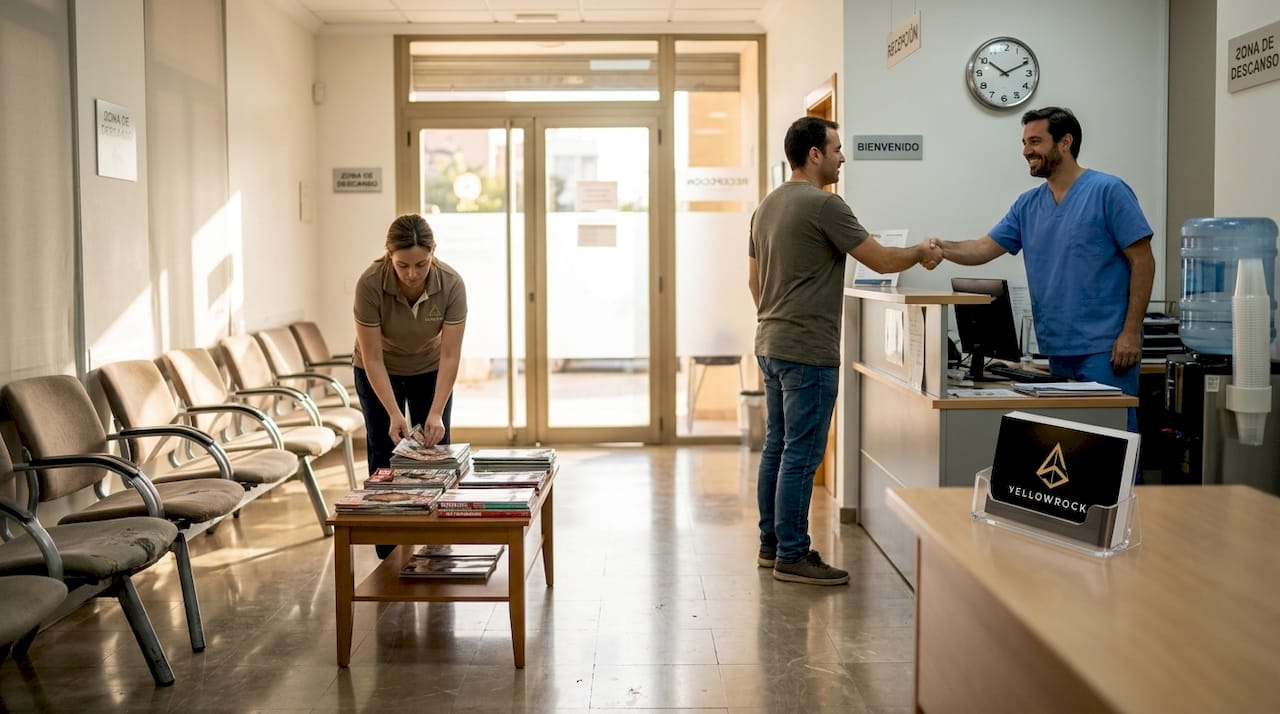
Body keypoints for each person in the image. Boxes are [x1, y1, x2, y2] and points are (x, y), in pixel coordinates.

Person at [750, 116, 942, 586]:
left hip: (770, 343)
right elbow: (880, 259)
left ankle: (771, 545)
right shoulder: (824, 205)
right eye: (836, 148)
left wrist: (780, 318)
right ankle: (793, 555)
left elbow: (753, 283)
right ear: (814, 154)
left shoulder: (766, 206)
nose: (842, 156)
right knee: (801, 455)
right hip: (807, 351)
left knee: (777, 447)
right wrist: (919, 251)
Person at [930, 106, 1154, 432]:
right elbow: (982, 248)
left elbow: (1143, 261)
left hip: (1105, 349)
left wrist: (1131, 331)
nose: (1026, 151)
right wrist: (939, 248)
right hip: (1058, 348)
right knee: (1068, 448)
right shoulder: (1028, 204)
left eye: (1035, 141)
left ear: (1065, 142)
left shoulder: (1108, 191)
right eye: (1024, 143)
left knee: (1110, 445)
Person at [352, 213, 467, 558]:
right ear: (389, 256)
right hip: (378, 367)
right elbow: (372, 357)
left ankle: (434, 537)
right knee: (384, 448)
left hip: (430, 367)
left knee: (433, 447)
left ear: (434, 253)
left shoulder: (451, 284)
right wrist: (392, 412)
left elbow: (450, 356)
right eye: (403, 266)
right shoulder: (370, 284)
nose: (412, 274)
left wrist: (436, 413)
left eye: (421, 264)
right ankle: (387, 545)